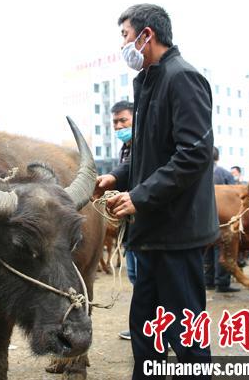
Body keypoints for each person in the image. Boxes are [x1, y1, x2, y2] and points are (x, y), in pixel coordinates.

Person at [95, 4, 216, 379]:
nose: (123, 45)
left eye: (126, 36)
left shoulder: (183, 78)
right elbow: (147, 156)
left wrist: (139, 197)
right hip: (151, 234)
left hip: (176, 234)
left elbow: (194, 154)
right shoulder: (149, 82)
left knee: (186, 335)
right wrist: (116, 178)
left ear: (147, 35)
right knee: (146, 330)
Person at [111, 100, 136, 341]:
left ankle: (161, 332)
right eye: (115, 122)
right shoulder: (125, 149)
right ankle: (143, 326)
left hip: (146, 224)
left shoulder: (146, 146)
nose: (119, 126)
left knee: (151, 280)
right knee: (137, 278)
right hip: (131, 225)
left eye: (123, 121)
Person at [204, 147, 239, 292]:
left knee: (208, 247)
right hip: (224, 217)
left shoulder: (199, 173)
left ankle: (208, 281)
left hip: (203, 216)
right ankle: (222, 283)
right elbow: (235, 195)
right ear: (217, 157)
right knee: (223, 248)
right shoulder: (224, 174)